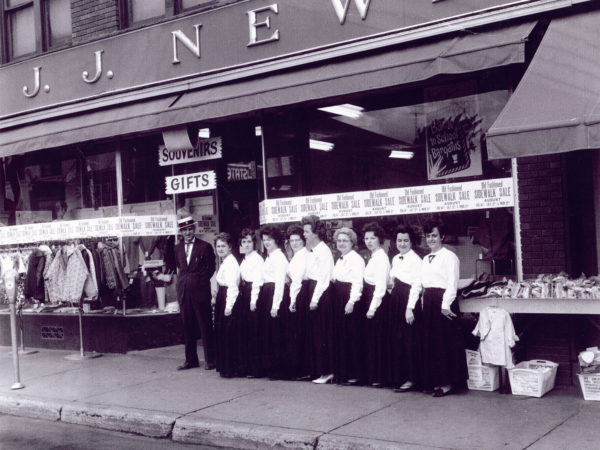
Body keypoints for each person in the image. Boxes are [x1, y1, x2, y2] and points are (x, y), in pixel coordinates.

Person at [420, 218, 466, 397]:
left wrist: (445, 306)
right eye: (428, 236)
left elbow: (452, 283)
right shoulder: (425, 258)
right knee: (432, 342)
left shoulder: (449, 257)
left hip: (444, 301)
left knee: (445, 343)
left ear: (442, 237)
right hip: (430, 301)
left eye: (434, 235)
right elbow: (425, 284)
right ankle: (436, 381)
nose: (431, 239)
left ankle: (448, 383)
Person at [174, 215, 216, 371]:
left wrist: (197, 281)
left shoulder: (205, 246)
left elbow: (210, 268)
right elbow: (180, 267)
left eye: (190, 229)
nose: (188, 232)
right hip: (184, 292)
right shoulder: (177, 248)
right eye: (184, 230)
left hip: (200, 292)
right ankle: (190, 360)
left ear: (194, 229)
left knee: (205, 326)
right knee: (187, 327)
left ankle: (211, 360)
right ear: (181, 232)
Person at [301, 215, 334, 384]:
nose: (304, 234)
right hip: (312, 289)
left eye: (307, 231)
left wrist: (314, 299)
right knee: (314, 333)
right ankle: (316, 370)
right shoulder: (312, 250)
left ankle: (326, 371)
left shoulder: (323, 251)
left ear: (315, 232)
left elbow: (323, 278)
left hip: (320, 293)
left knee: (321, 333)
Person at [389, 224, 423, 392]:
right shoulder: (395, 258)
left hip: (408, 300)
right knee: (398, 339)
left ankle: (411, 379)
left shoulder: (416, 260)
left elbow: (417, 285)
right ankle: (400, 376)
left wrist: (409, 308)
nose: (402, 244)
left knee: (409, 340)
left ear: (411, 242)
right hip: (396, 299)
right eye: (399, 240)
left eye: (405, 241)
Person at [331, 227, 365, 385]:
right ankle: (343, 373)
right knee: (341, 336)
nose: (342, 243)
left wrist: (351, 301)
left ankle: (355, 374)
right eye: (339, 240)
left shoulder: (356, 259)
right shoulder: (340, 258)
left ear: (352, 242)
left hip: (349, 298)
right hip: (338, 296)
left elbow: (357, 282)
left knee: (351, 337)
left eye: (345, 240)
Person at [361, 222, 391, 387]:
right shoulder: (374, 256)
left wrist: (372, 308)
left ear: (379, 239)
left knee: (378, 338)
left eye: (372, 238)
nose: (369, 241)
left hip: (377, 301)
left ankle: (380, 376)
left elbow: (380, 286)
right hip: (371, 298)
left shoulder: (381, 257)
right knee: (373, 339)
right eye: (366, 238)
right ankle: (375, 375)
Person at [258, 225, 289, 378]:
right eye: (264, 240)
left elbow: (280, 282)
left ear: (276, 240)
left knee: (276, 333)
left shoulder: (279, 257)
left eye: (269, 240)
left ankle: (279, 369)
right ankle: (271, 367)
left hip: (275, 295)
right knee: (269, 332)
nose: (266, 242)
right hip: (266, 293)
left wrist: (275, 305)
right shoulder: (269, 256)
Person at [213, 232, 240, 378]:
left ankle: (230, 368)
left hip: (228, 299)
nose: (221, 249)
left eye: (223, 246)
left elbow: (233, 287)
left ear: (230, 247)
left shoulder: (230, 263)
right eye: (218, 246)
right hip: (223, 297)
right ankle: (226, 367)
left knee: (228, 334)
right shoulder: (225, 261)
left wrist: (228, 307)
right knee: (223, 334)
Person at [286, 225, 311, 379]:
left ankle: (303, 369)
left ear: (303, 241)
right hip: (299, 291)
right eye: (292, 240)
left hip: (301, 292)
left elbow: (297, 281)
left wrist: (293, 299)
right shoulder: (296, 256)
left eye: (297, 240)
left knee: (300, 331)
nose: (294, 243)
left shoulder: (303, 255)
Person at [238, 228, 264, 377]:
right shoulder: (246, 258)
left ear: (254, 243)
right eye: (244, 241)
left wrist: (253, 301)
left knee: (254, 331)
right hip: (245, 293)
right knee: (248, 331)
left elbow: (257, 282)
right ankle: (248, 366)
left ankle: (256, 369)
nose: (246, 244)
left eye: (249, 241)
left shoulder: (257, 259)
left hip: (253, 294)